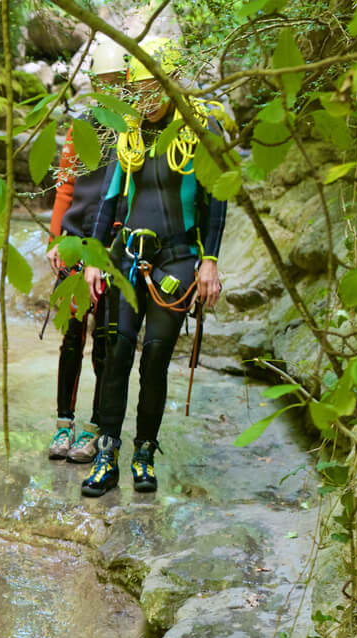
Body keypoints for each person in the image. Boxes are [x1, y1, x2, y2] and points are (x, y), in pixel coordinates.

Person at [81, 37, 225, 497]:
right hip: (126, 257)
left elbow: (216, 201)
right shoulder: (128, 133)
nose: (144, 97)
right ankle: (108, 452)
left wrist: (210, 262)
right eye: (137, 88)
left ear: (171, 82)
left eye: (152, 86)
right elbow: (108, 200)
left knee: (156, 360)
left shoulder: (200, 130)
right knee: (117, 354)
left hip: (177, 261)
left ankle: (144, 451)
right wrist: (93, 258)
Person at [44, 36, 128, 465]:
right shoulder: (82, 127)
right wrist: (56, 239)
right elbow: (66, 187)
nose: (110, 87)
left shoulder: (133, 131)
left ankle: (96, 427)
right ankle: (64, 422)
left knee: (106, 344)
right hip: (75, 242)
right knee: (72, 338)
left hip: (113, 248)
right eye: (104, 81)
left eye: (117, 80)